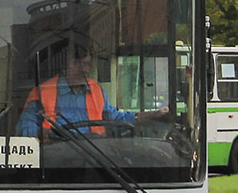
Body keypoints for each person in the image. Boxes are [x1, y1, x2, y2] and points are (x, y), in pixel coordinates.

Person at [17, 43, 167, 138]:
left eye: (87, 64)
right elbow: (25, 127)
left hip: (94, 157)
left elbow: (114, 118)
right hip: (55, 160)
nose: (83, 69)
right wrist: (45, 134)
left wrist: (150, 115)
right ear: (63, 67)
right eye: (77, 64)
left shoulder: (96, 90)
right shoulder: (43, 92)